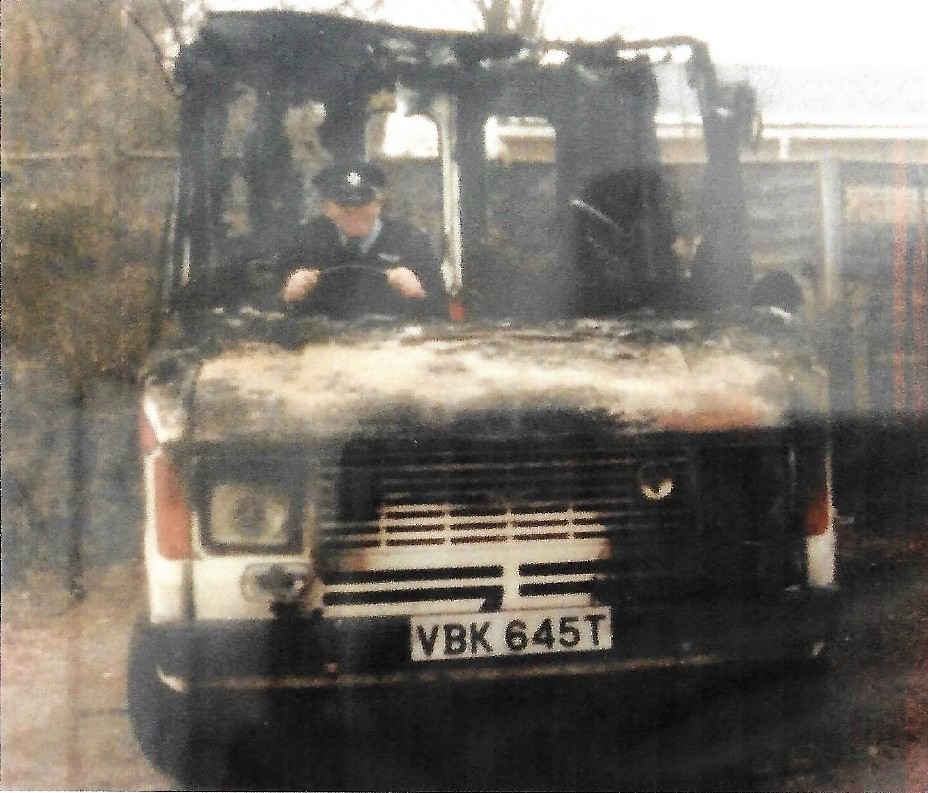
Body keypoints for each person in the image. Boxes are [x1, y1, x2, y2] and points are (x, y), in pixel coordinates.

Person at [280, 160, 446, 320]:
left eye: (363, 202)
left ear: (378, 204)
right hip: (321, 341)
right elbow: (265, 312)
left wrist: (418, 294)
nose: (353, 210)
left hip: (392, 342)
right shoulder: (303, 241)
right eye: (342, 203)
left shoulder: (410, 241)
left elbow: (441, 314)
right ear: (326, 207)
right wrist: (286, 296)